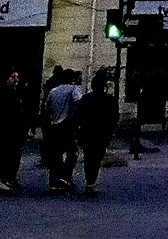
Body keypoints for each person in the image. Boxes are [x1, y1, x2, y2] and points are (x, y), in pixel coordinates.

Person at [75, 69, 120, 197]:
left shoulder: (85, 98)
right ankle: (91, 182)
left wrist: (79, 129)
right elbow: (114, 117)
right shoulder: (110, 100)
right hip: (102, 133)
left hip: (87, 132)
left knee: (89, 157)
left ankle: (90, 182)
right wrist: (111, 130)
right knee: (97, 157)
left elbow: (78, 115)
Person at [0, 69, 31, 195]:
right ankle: (0, 179)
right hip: (7, 129)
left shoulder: (11, 92)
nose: (16, 80)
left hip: (10, 129)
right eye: (13, 77)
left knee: (8, 154)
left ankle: (4, 178)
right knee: (6, 154)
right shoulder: (6, 92)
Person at [42, 65, 83, 193]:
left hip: (53, 125)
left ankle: (54, 180)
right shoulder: (72, 89)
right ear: (71, 79)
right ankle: (65, 175)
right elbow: (79, 102)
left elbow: (46, 108)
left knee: (56, 153)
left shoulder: (53, 91)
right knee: (73, 152)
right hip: (66, 125)